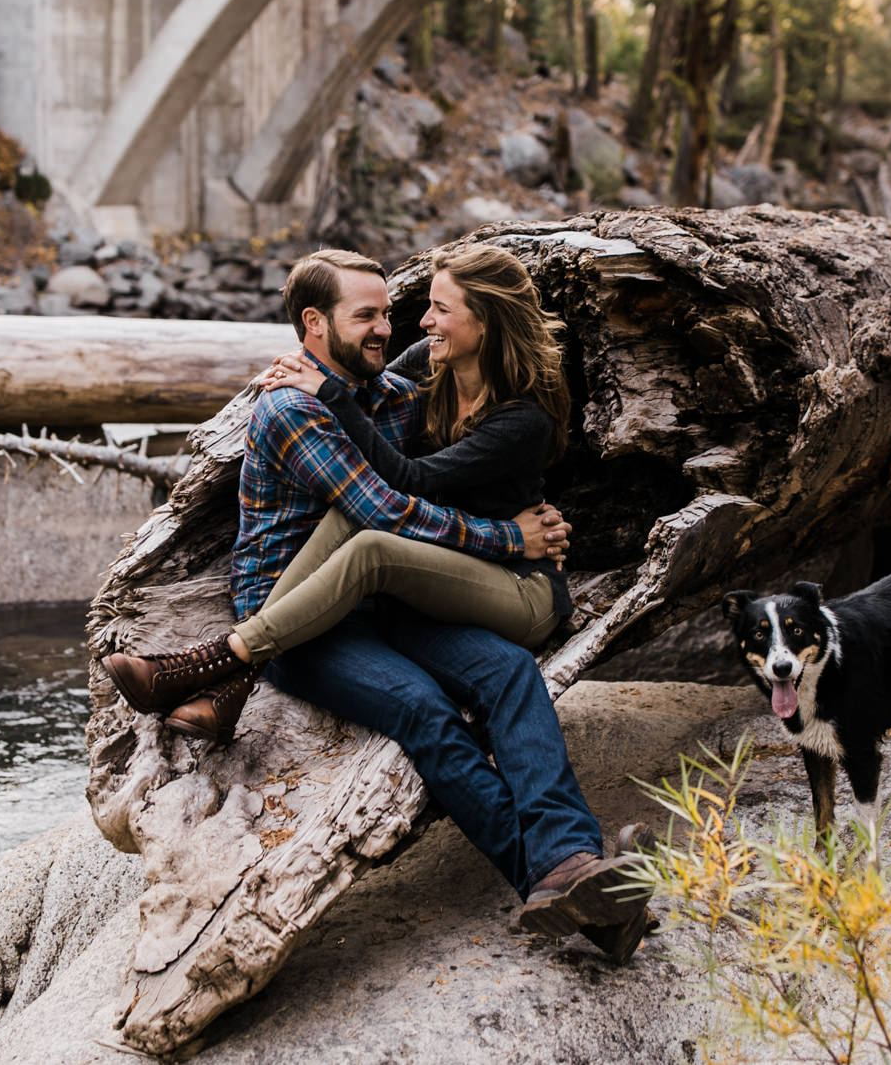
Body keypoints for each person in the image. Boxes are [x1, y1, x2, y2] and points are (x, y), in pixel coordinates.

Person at [102, 247, 649, 952]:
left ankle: (572, 861)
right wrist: (510, 538)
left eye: (390, 312)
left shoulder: (394, 391)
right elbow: (386, 508)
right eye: (367, 315)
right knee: (422, 706)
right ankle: (549, 874)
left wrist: (530, 523)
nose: (389, 328)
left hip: (384, 601)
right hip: (301, 623)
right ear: (313, 324)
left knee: (508, 671)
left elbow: (431, 469)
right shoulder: (294, 407)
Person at [105, 244, 573, 740]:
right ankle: (227, 676)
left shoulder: (512, 417)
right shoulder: (391, 381)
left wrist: (331, 391)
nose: (413, 325)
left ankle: (215, 669)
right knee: (357, 515)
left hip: (475, 581)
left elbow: (411, 480)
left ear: (486, 322)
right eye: (370, 314)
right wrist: (314, 384)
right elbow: (384, 453)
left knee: (366, 529)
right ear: (315, 322)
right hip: (334, 587)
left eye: (435, 309)